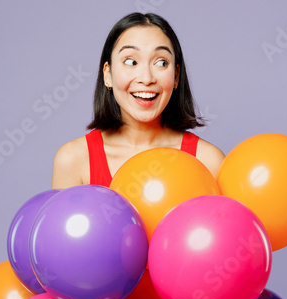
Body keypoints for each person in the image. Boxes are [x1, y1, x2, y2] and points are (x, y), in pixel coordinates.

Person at [51, 12, 225, 189]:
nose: (146, 78)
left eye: (161, 63)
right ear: (108, 74)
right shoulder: (73, 160)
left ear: (176, 77)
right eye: (131, 61)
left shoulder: (209, 161)